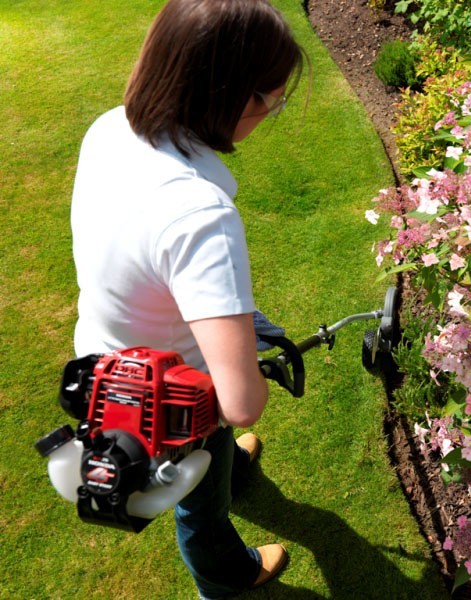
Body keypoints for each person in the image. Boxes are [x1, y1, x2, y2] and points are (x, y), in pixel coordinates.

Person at [70, 0, 305, 597]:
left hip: (102, 353)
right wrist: (248, 370)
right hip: (168, 398)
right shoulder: (201, 216)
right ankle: (226, 575)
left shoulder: (110, 126)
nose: (269, 113)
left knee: (220, 452)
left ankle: (229, 469)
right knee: (200, 500)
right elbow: (241, 400)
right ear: (233, 96)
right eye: (271, 100)